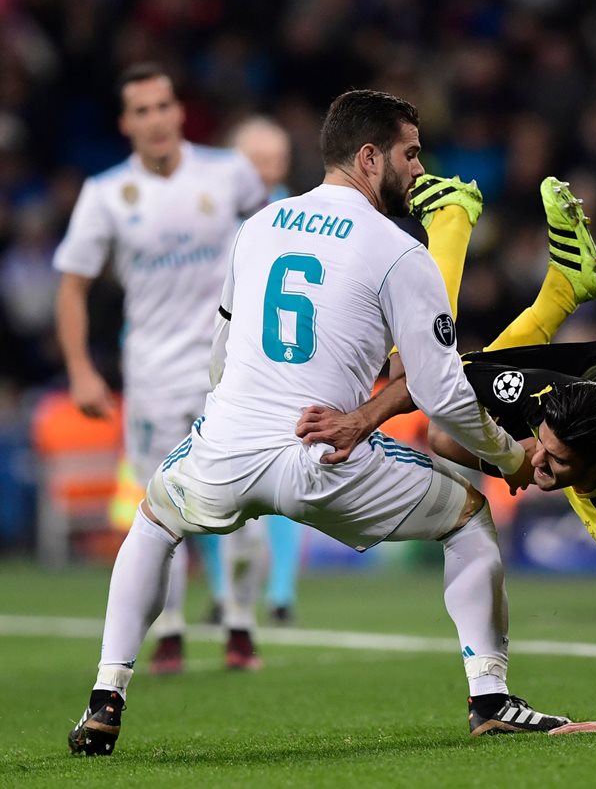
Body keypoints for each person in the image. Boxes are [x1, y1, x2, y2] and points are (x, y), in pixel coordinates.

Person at [67, 89, 566, 756]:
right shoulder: (399, 251)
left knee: (155, 521)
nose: (419, 169)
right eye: (409, 154)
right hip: (326, 454)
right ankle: (490, 696)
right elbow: (442, 395)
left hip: (228, 447)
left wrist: (230, 421)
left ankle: (106, 696)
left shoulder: (260, 226)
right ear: (368, 157)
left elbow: (220, 351)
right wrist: (510, 458)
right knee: (467, 516)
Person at [296, 175, 596, 734]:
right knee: (438, 399)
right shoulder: (547, 397)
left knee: (446, 429)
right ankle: (547, 280)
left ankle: (525, 264)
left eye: (555, 464)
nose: (538, 463)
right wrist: (366, 419)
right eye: (540, 445)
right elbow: (440, 373)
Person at [53, 63, 269, 673]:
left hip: (233, 369)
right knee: (158, 507)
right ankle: (169, 629)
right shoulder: (106, 195)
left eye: (163, 106)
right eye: (140, 111)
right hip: (149, 375)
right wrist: (80, 369)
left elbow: (277, 237)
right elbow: (72, 287)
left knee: (248, 497)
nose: (154, 120)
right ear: (126, 123)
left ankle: (240, 623)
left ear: (179, 112)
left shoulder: (230, 174)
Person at [230, 115, 305, 624]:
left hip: (283, 366)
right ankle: (228, 594)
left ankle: (278, 592)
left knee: (287, 478)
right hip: (229, 360)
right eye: (257, 160)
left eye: (274, 160)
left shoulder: (293, 214)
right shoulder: (215, 212)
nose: (266, 169)